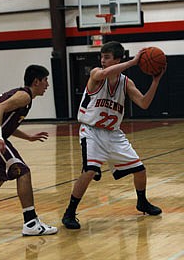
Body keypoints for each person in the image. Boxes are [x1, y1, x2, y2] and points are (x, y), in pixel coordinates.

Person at [62, 41, 165, 229]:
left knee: (140, 170)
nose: (102, 60)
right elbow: (103, 73)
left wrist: (155, 82)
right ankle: (69, 212)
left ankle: (142, 202)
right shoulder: (96, 74)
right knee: (89, 170)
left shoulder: (126, 83)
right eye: (101, 56)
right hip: (91, 131)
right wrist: (134, 62)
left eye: (107, 57)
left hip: (114, 134)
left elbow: (143, 103)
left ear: (117, 59)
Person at [0, 64, 58, 236]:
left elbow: (8, 123)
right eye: (45, 80)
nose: (47, 85)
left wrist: (28, 137)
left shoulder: (23, 96)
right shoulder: (24, 96)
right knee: (22, 171)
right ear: (36, 81)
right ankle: (30, 222)